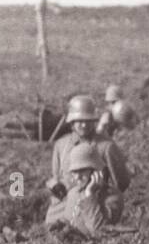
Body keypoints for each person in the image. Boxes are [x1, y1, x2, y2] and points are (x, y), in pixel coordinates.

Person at [46, 95, 130, 228]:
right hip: (63, 206)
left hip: (92, 204)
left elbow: (122, 183)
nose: (84, 125)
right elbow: (55, 175)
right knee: (53, 232)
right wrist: (55, 184)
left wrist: (99, 193)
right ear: (72, 121)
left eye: (88, 120)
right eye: (79, 120)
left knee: (92, 231)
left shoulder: (106, 146)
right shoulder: (61, 145)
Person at [49, 143, 113, 238]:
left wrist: (90, 194)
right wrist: (60, 223)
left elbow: (99, 231)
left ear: (95, 171)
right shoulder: (73, 193)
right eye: (74, 172)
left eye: (82, 171)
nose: (78, 177)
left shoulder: (111, 197)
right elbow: (70, 219)